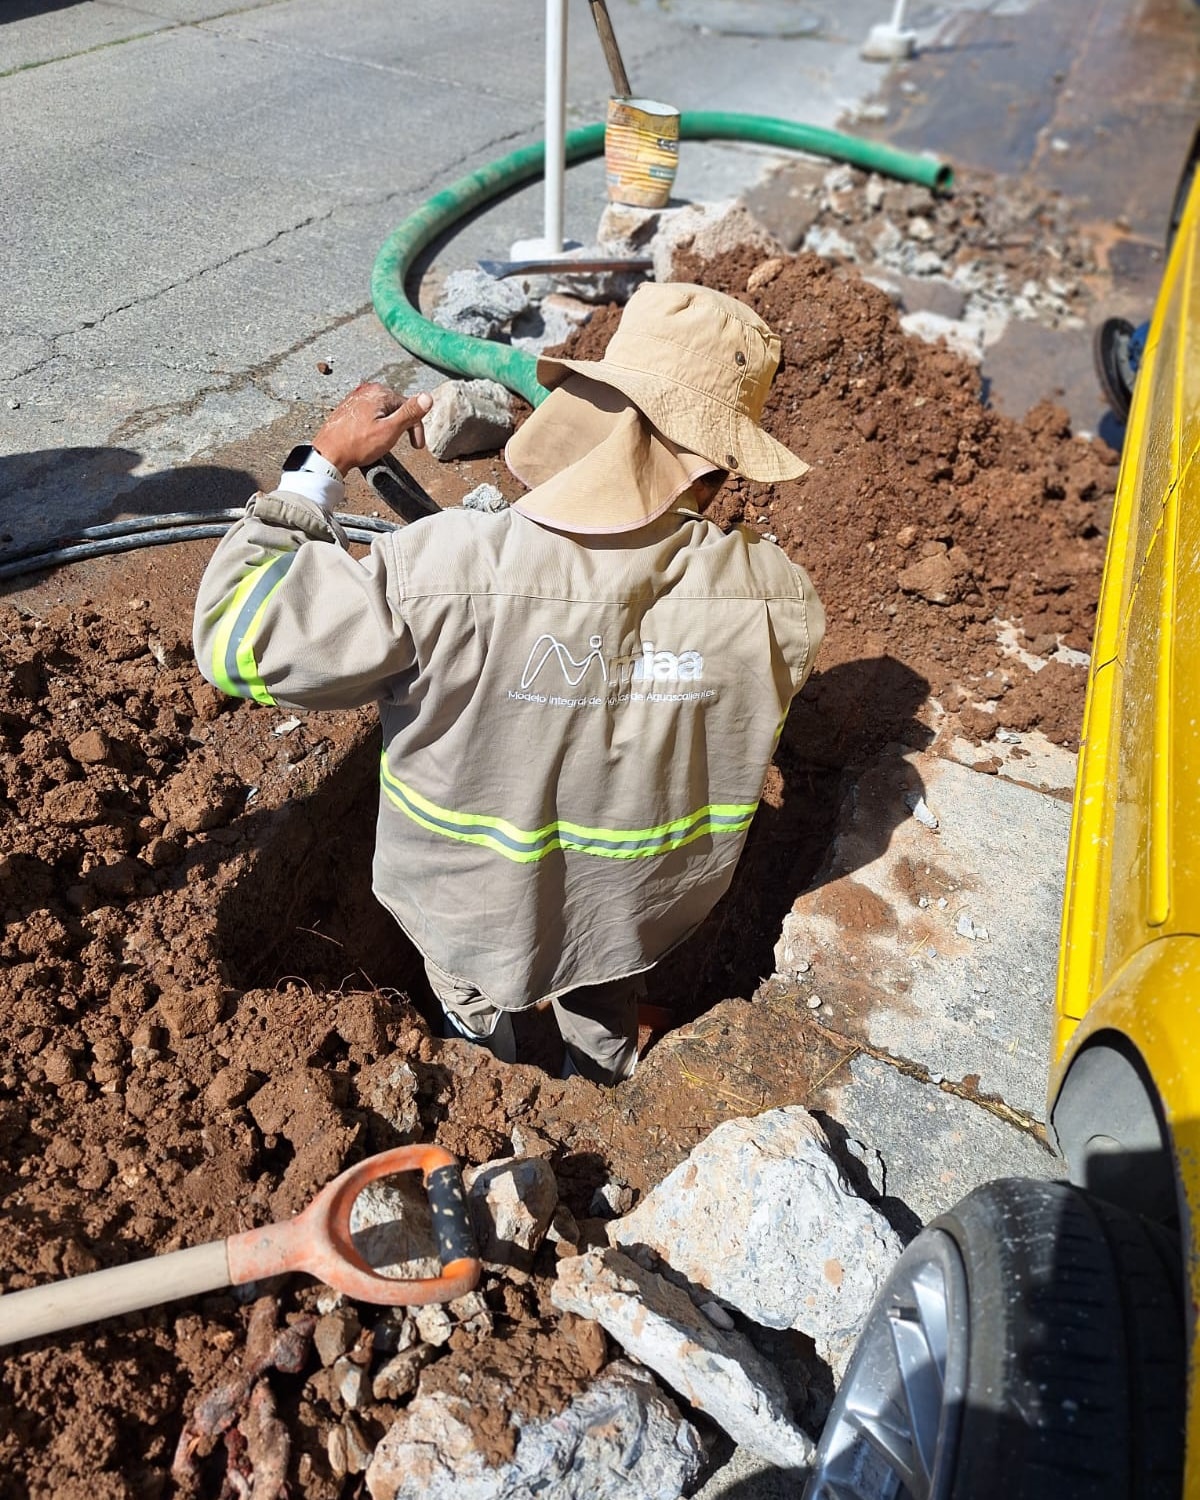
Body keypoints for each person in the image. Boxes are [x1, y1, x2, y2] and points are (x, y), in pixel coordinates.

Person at [193, 281, 825, 1084]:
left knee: (474, 1022)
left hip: (462, 910)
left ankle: (495, 1081)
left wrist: (317, 468)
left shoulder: (443, 569)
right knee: (602, 1009)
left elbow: (237, 637)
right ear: (720, 464)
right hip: (625, 916)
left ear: (593, 408)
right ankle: (599, 1084)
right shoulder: (777, 598)